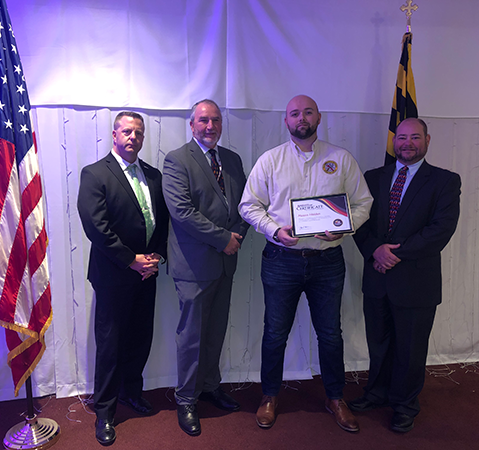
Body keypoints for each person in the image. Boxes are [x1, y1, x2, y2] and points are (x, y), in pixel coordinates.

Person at [239, 94, 373, 432]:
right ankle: (269, 395)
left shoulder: (340, 159)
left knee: (330, 334)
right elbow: (248, 205)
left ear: (319, 117)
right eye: (295, 113)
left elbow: (363, 203)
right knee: (274, 334)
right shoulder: (270, 161)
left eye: (308, 112)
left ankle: (335, 397)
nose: (302, 118)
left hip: (327, 261)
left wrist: (344, 228)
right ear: (286, 121)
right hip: (281, 260)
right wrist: (273, 229)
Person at [349, 118, 461, 433]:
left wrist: (394, 253)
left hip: (416, 281)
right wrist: (375, 250)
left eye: (414, 137)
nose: (407, 143)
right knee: (379, 343)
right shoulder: (372, 178)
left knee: (410, 348)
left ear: (427, 140)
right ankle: (376, 393)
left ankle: (404, 404)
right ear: (393, 141)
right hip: (377, 279)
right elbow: (359, 222)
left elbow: (441, 229)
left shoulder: (445, 181)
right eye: (401, 138)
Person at [77, 111, 169, 446]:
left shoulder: (154, 176)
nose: (133, 137)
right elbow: (96, 227)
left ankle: (132, 392)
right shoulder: (95, 174)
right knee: (111, 343)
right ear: (114, 135)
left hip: (147, 272)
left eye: (139, 133)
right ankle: (104, 410)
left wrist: (155, 256)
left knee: (140, 337)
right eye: (127, 131)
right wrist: (130, 260)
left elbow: (162, 222)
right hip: (114, 274)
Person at [162, 99, 249, 436]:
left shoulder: (232, 159)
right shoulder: (177, 160)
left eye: (215, 120)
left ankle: (210, 387)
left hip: (226, 263)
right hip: (194, 266)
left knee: (215, 331)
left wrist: (238, 235)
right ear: (191, 124)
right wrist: (223, 239)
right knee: (192, 337)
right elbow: (182, 212)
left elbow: (244, 204)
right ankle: (185, 398)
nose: (210, 126)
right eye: (203, 120)